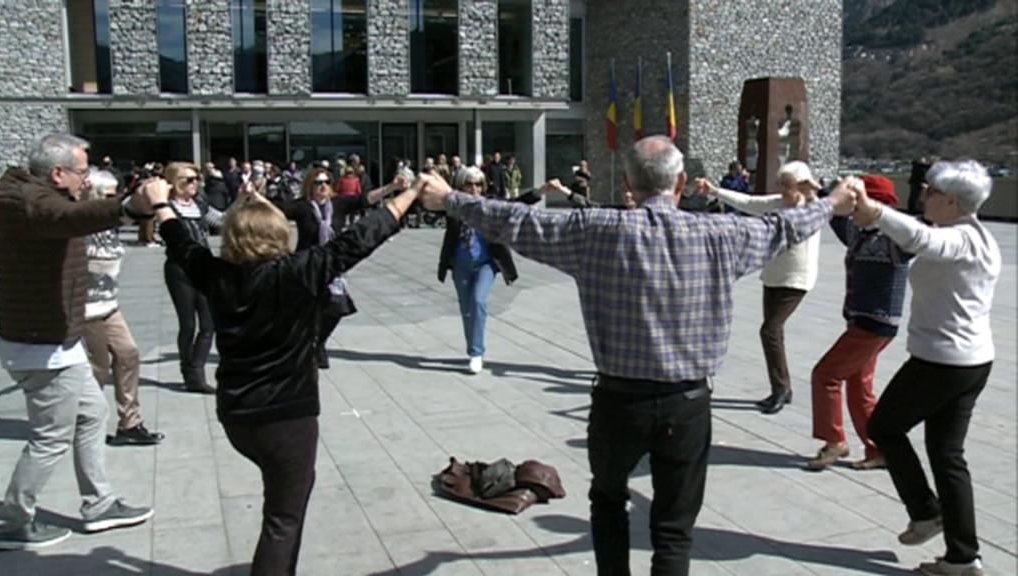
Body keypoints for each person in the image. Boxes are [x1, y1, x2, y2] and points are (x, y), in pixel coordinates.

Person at [418, 135, 857, 576]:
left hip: (618, 402)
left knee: (609, 502)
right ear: (681, 182)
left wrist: (451, 199)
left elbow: (513, 221)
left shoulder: (594, 231)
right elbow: (786, 227)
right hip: (688, 404)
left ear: (629, 181)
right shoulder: (723, 235)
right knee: (674, 527)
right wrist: (832, 201)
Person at [143, 170, 420, 576]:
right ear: (278, 235)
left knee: (281, 512)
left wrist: (160, 204)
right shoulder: (298, 271)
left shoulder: (216, 274)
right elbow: (359, 240)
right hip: (286, 418)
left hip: (237, 413)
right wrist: (410, 193)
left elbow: (182, 244)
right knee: (282, 520)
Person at [0, 133, 154, 550]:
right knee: (50, 438)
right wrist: (131, 206)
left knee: (93, 413)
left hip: (55, 341)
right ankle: (12, 521)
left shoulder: (29, 194)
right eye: (82, 172)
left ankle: (98, 505)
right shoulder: (35, 202)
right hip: (41, 345)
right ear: (58, 173)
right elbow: (66, 219)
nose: (86, 180)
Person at [859, 161, 1000, 576]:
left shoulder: (960, 239)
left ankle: (925, 513)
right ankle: (962, 558)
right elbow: (922, 234)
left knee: (884, 427)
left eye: (932, 190)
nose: (923, 193)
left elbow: (922, 239)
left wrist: (878, 212)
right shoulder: (977, 236)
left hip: (942, 363)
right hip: (970, 362)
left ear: (953, 201)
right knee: (947, 455)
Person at [697, 161, 824, 414]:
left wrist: (814, 189)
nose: (781, 189)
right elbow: (748, 203)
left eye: (786, 185)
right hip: (773, 276)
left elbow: (834, 204)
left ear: (800, 186)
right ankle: (783, 388)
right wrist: (714, 191)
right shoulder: (777, 203)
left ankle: (780, 389)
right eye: (781, 184)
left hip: (796, 279)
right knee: (774, 333)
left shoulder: (813, 209)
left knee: (770, 330)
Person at [807, 175, 912, 471]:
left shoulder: (895, 240)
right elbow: (836, 218)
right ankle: (879, 449)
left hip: (873, 324)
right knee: (858, 384)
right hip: (864, 322)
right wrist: (820, 190)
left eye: (857, 207)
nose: (852, 212)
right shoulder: (860, 232)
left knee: (825, 375)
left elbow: (919, 236)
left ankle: (834, 441)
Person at [271, 168, 408, 367]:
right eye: (318, 183)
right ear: (310, 186)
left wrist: (393, 187)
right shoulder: (302, 207)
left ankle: (318, 343)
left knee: (337, 307)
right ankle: (309, 347)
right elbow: (277, 209)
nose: (323, 186)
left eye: (326, 182)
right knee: (310, 309)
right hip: (307, 265)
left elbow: (365, 199)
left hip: (332, 264)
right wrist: (251, 195)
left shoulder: (338, 204)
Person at [82, 169, 164, 446]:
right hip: (85, 309)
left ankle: (130, 422)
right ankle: (85, 423)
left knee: (128, 354)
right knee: (98, 368)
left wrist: (147, 197)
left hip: (109, 305)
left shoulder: (109, 224)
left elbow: (135, 212)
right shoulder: (79, 223)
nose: (113, 199)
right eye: (108, 195)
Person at [437, 167, 519, 374]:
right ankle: (473, 348)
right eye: (469, 184)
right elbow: (431, 202)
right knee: (466, 310)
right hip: (461, 264)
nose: (474, 189)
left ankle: (476, 353)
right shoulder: (455, 206)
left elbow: (517, 204)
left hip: (485, 264)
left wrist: (541, 191)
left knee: (478, 301)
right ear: (462, 185)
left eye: (478, 184)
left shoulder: (491, 205)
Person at [163, 162, 226, 394]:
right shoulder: (167, 208)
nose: (195, 183)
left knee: (209, 323)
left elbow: (221, 220)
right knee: (188, 323)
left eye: (196, 179)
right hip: (179, 269)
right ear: (175, 182)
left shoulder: (199, 204)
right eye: (189, 179)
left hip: (203, 265)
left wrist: (242, 200)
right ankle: (188, 373)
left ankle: (196, 371)